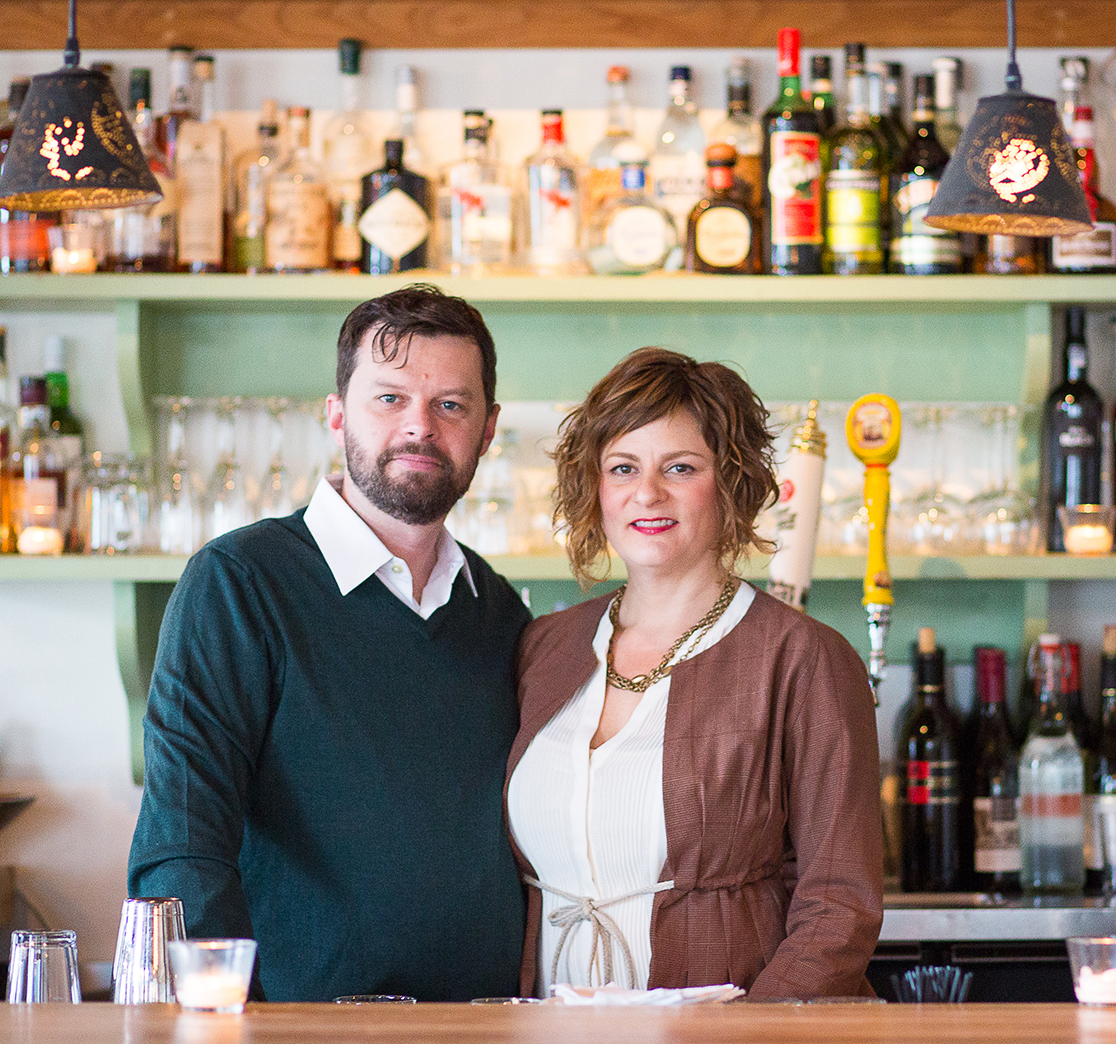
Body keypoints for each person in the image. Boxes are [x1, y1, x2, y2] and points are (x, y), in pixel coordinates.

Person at [129, 285, 530, 1002]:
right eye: (390, 399)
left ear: (489, 427)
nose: (420, 427)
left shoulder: (497, 609)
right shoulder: (239, 584)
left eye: (451, 404)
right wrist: (221, 1016)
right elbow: (182, 847)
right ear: (337, 413)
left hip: (484, 1024)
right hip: (298, 1026)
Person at [506, 348, 882, 1000]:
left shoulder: (802, 658)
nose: (647, 493)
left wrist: (750, 1036)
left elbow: (840, 906)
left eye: (680, 468)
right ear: (594, 487)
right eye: (623, 467)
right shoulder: (546, 646)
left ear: (732, 485)